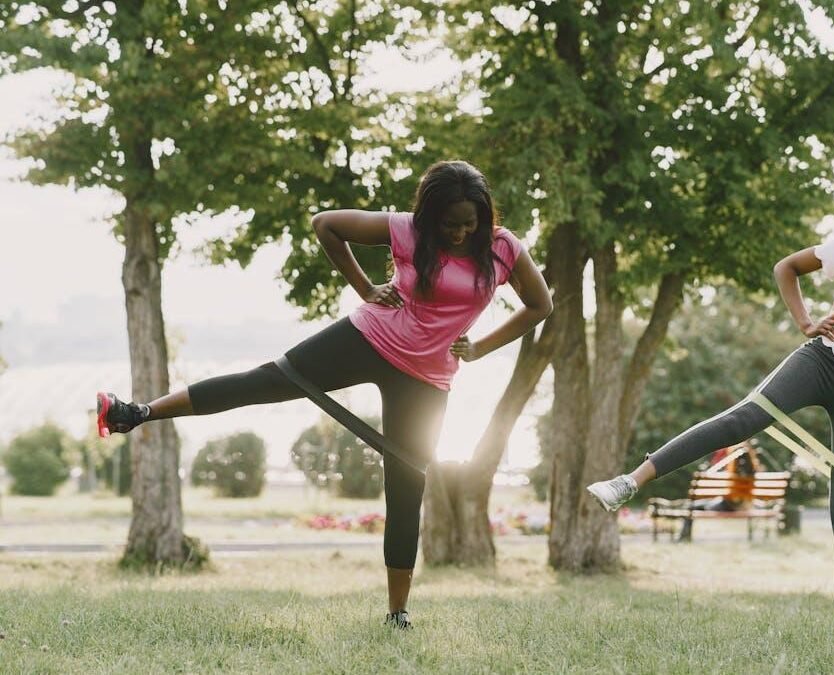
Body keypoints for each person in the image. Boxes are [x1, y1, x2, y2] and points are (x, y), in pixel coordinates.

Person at [96, 160, 553, 630]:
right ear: (430, 216)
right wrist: (366, 288)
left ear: (483, 216)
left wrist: (479, 347)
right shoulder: (407, 231)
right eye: (449, 224)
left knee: (405, 488)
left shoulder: (502, 248)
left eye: (468, 224)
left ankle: (397, 613)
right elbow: (327, 225)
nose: (458, 233)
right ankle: (137, 412)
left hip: (428, 377)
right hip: (368, 339)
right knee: (267, 381)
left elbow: (540, 305)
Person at [587, 165, 834, 639]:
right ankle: (629, 481)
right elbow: (787, 268)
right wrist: (806, 321)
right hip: (822, 360)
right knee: (741, 420)